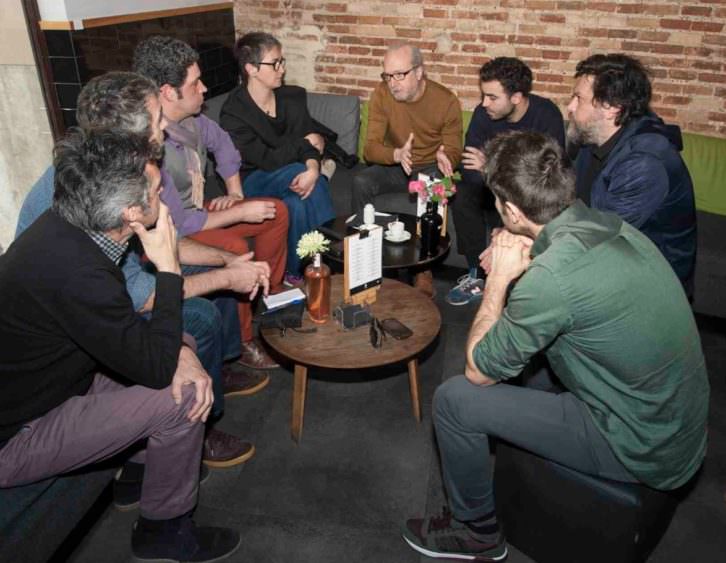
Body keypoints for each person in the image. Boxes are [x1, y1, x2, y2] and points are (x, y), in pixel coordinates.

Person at [402, 131, 709, 561]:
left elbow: (478, 369)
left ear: (509, 209)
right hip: (677, 423)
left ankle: (476, 532)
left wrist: (498, 282)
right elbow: (569, 275)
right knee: (536, 365)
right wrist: (529, 246)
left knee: (455, 399)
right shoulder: (606, 225)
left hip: (639, 445)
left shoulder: (551, 279)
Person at [0, 130, 242, 562]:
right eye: (156, 191)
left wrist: (180, 351)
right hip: (18, 432)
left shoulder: (66, 226)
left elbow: (124, 332)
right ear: (132, 212)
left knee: (181, 345)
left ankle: (137, 475)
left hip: (53, 382)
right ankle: (163, 533)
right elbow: (151, 366)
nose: (164, 200)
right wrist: (168, 267)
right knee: (183, 396)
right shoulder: (80, 274)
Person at [15, 71, 270, 475]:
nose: (165, 126)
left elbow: (158, 236)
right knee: (199, 321)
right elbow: (139, 296)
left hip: (91, 312)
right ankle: (197, 434)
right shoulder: (90, 215)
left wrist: (224, 262)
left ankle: (217, 370)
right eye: (156, 120)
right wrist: (213, 278)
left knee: (225, 265)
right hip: (48, 377)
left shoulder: (116, 179)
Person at [133, 36, 287, 365]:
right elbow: (182, 223)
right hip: (173, 231)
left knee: (276, 212)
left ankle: (267, 290)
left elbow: (225, 147)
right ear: (166, 92)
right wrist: (240, 212)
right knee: (233, 247)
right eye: (195, 83)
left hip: (197, 213)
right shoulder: (151, 144)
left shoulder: (195, 120)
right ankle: (244, 342)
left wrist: (235, 193)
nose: (204, 89)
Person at [567, 53, 696, 297]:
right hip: (611, 263)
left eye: (578, 98)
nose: (570, 107)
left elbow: (601, 238)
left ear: (611, 108)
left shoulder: (644, 163)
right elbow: (564, 196)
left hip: (650, 288)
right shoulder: (590, 137)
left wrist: (534, 238)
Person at [219, 31, 337, 285]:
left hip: (292, 172)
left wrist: (313, 168)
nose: (281, 69)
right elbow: (267, 159)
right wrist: (306, 149)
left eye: (282, 61)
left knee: (295, 204)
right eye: (275, 63)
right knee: (297, 169)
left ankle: (294, 272)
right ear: (251, 68)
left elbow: (307, 145)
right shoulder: (234, 112)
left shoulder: (291, 97)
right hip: (255, 179)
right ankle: (327, 249)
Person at [445, 57, 565, 306]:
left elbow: (546, 179)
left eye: (492, 97)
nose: (483, 103)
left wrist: (490, 166)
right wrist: (494, 173)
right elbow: (470, 169)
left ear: (516, 98)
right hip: (489, 190)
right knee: (463, 195)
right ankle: (475, 274)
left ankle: (518, 282)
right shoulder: (482, 114)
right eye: (483, 95)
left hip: (529, 198)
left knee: (520, 206)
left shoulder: (546, 115)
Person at [352, 42, 462, 296]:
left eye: (400, 75)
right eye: (388, 75)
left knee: (432, 188)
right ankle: (366, 257)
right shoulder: (381, 94)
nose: (393, 83)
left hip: (429, 166)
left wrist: (448, 156)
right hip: (396, 164)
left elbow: (455, 148)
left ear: (420, 72)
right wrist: (396, 154)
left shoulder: (445, 101)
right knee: (361, 181)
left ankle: (422, 270)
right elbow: (370, 149)